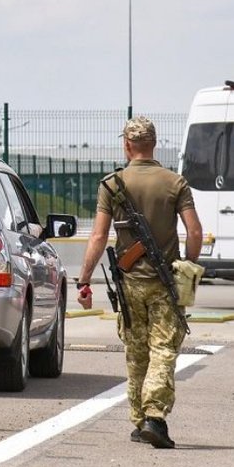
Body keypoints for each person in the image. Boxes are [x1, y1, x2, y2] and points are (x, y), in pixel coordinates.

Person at [75, 116, 203, 449]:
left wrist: (84, 279)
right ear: (154, 144)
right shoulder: (176, 182)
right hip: (165, 283)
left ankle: (138, 420)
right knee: (163, 349)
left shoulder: (112, 184)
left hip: (129, 282)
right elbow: (194, 231)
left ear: (127, 145)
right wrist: (189, 265)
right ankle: (155, 417)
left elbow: (100, 235)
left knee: (136, 352)